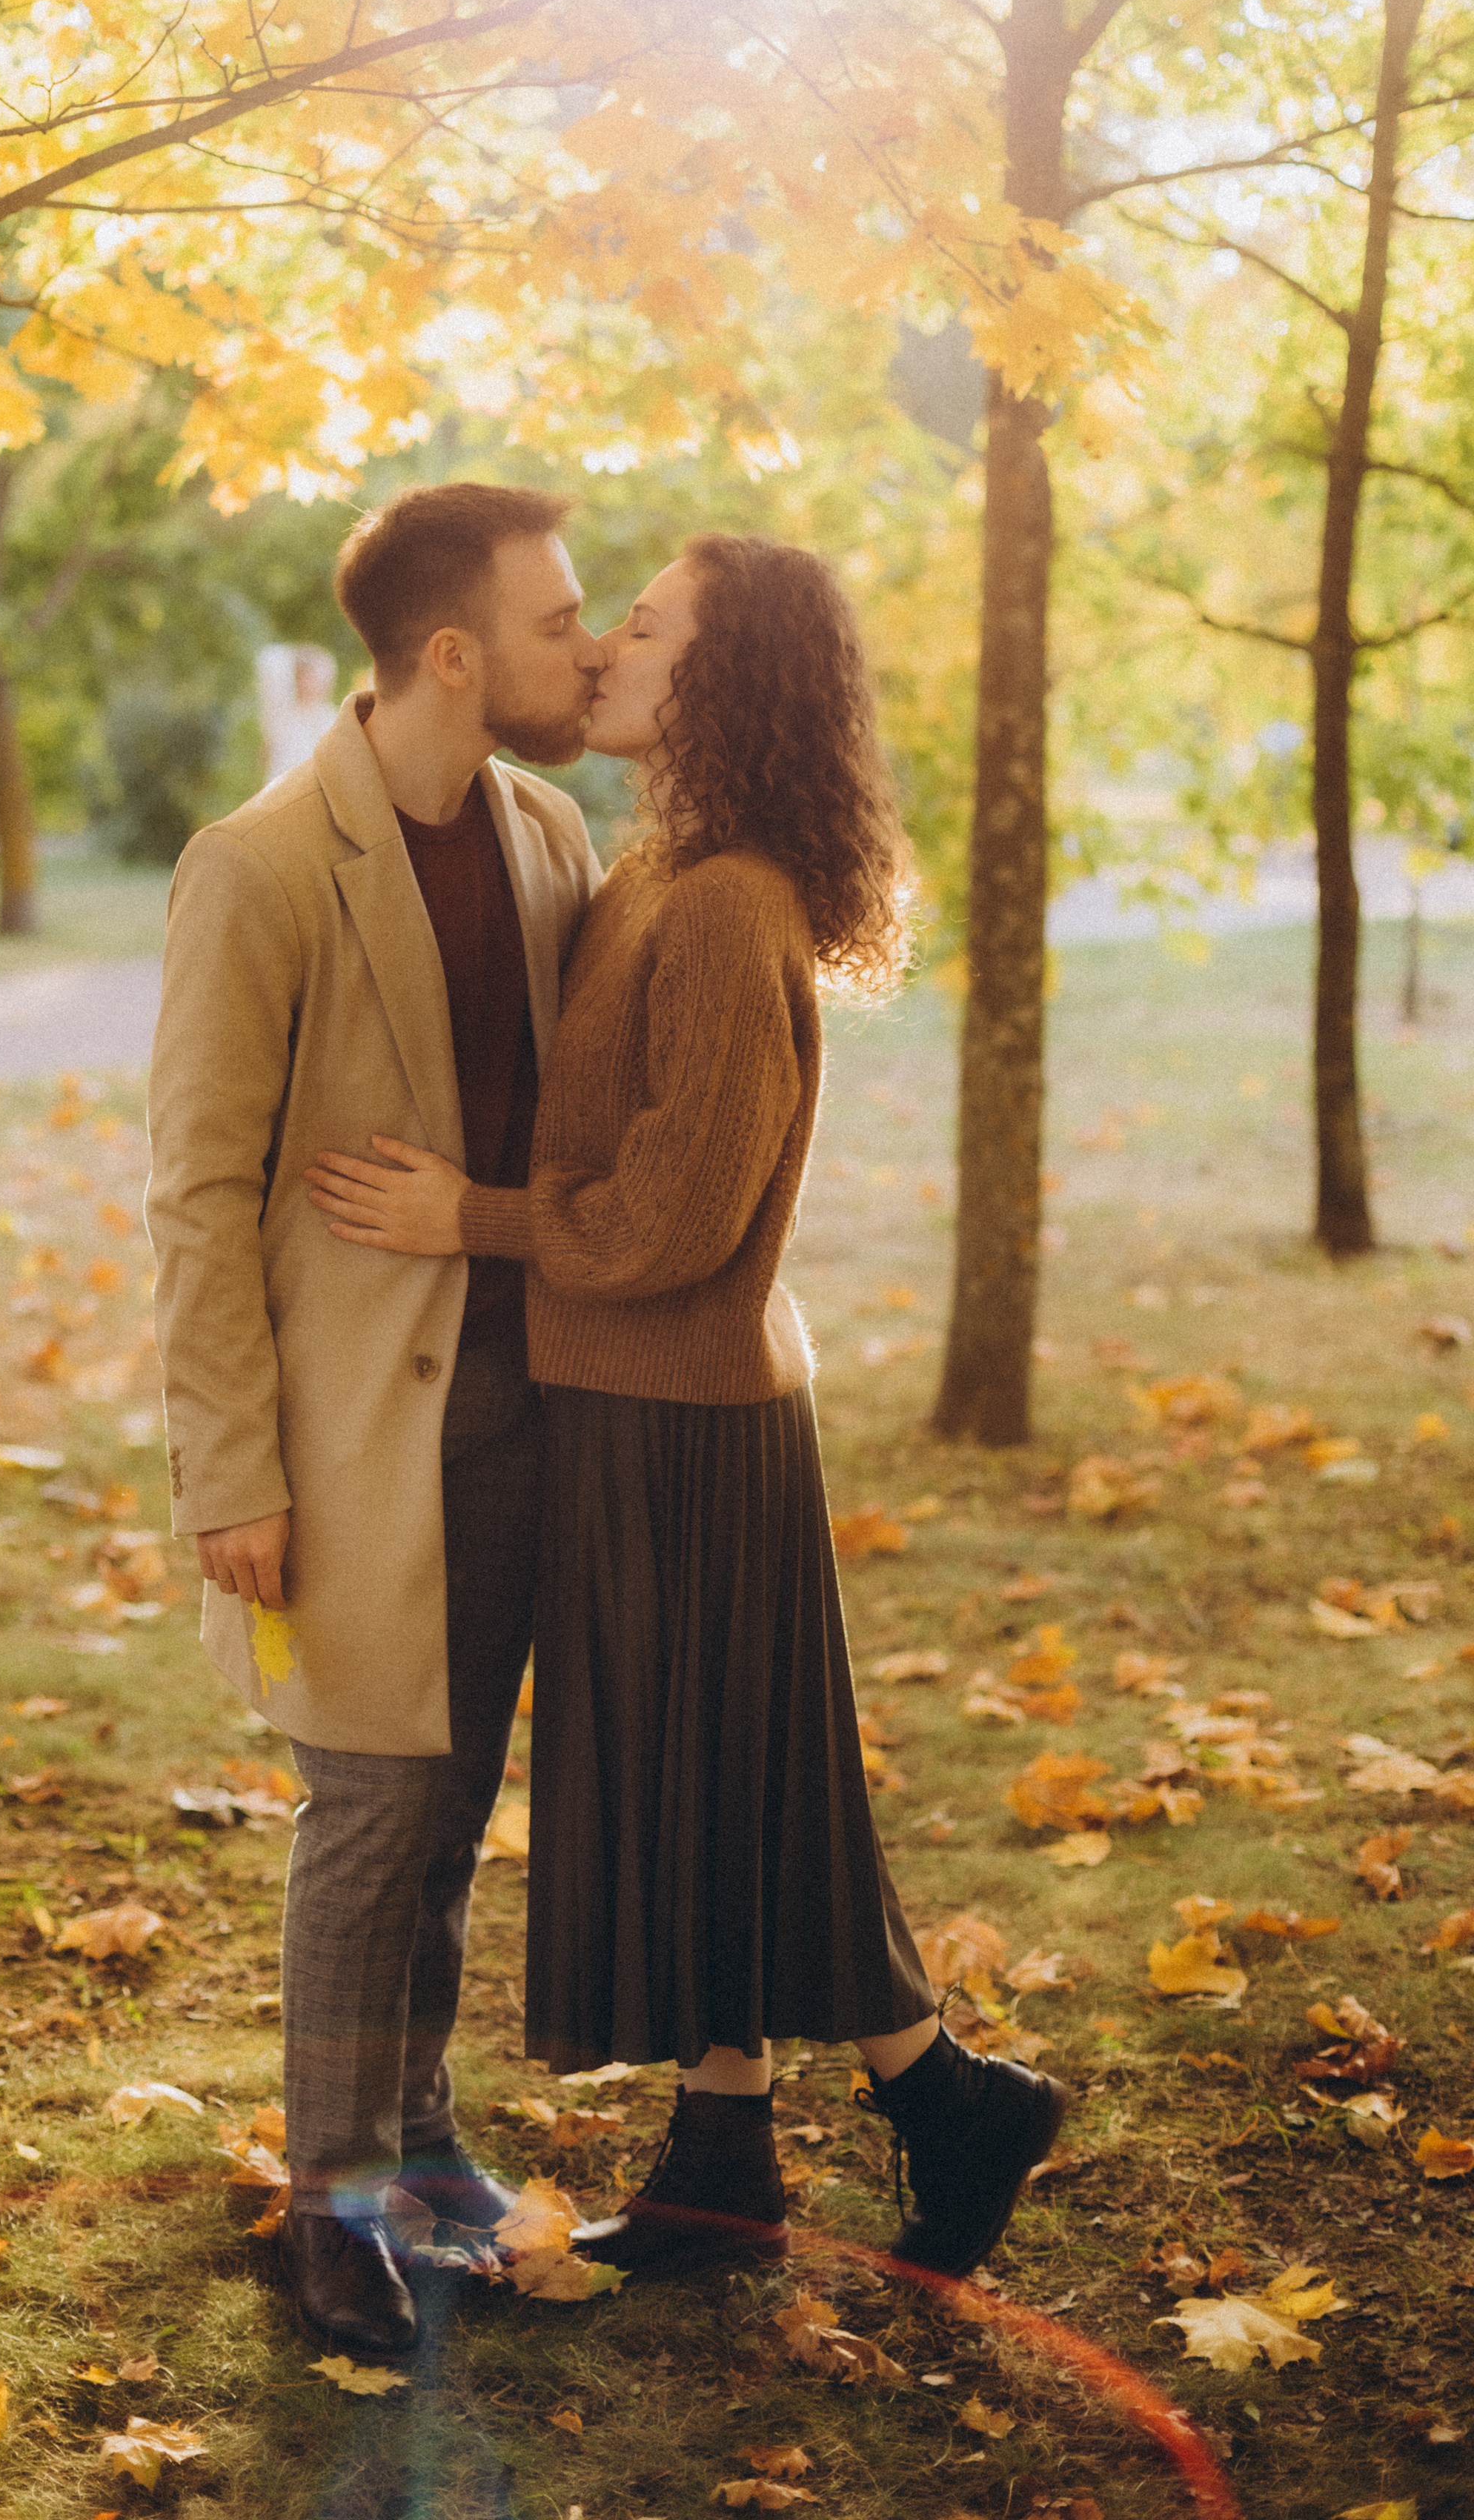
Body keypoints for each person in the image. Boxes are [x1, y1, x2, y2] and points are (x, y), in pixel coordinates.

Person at [307, 533, 1071, 2284]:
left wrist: (467, 1218)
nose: (601, 654)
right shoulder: (659, 865)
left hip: (685, 1422)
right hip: (632, 1404)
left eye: (637, 630)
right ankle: (732, 2159)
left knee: (718, 1778)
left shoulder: (723, 905)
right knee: (703, 1785)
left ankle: (936, 2097)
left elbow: (670, 1218)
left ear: (715, 681)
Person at [146, 482, 601, 2358]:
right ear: (448, 652)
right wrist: (228, 1474)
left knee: (448, 1812)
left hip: (522, 1412)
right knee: (366, 1817)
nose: (582, 645)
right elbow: (194, 1191)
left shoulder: (550, 828)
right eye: (557, 618)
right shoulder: (257, 868)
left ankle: (417, 2150)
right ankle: (331, 2208)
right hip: (339, 1447)